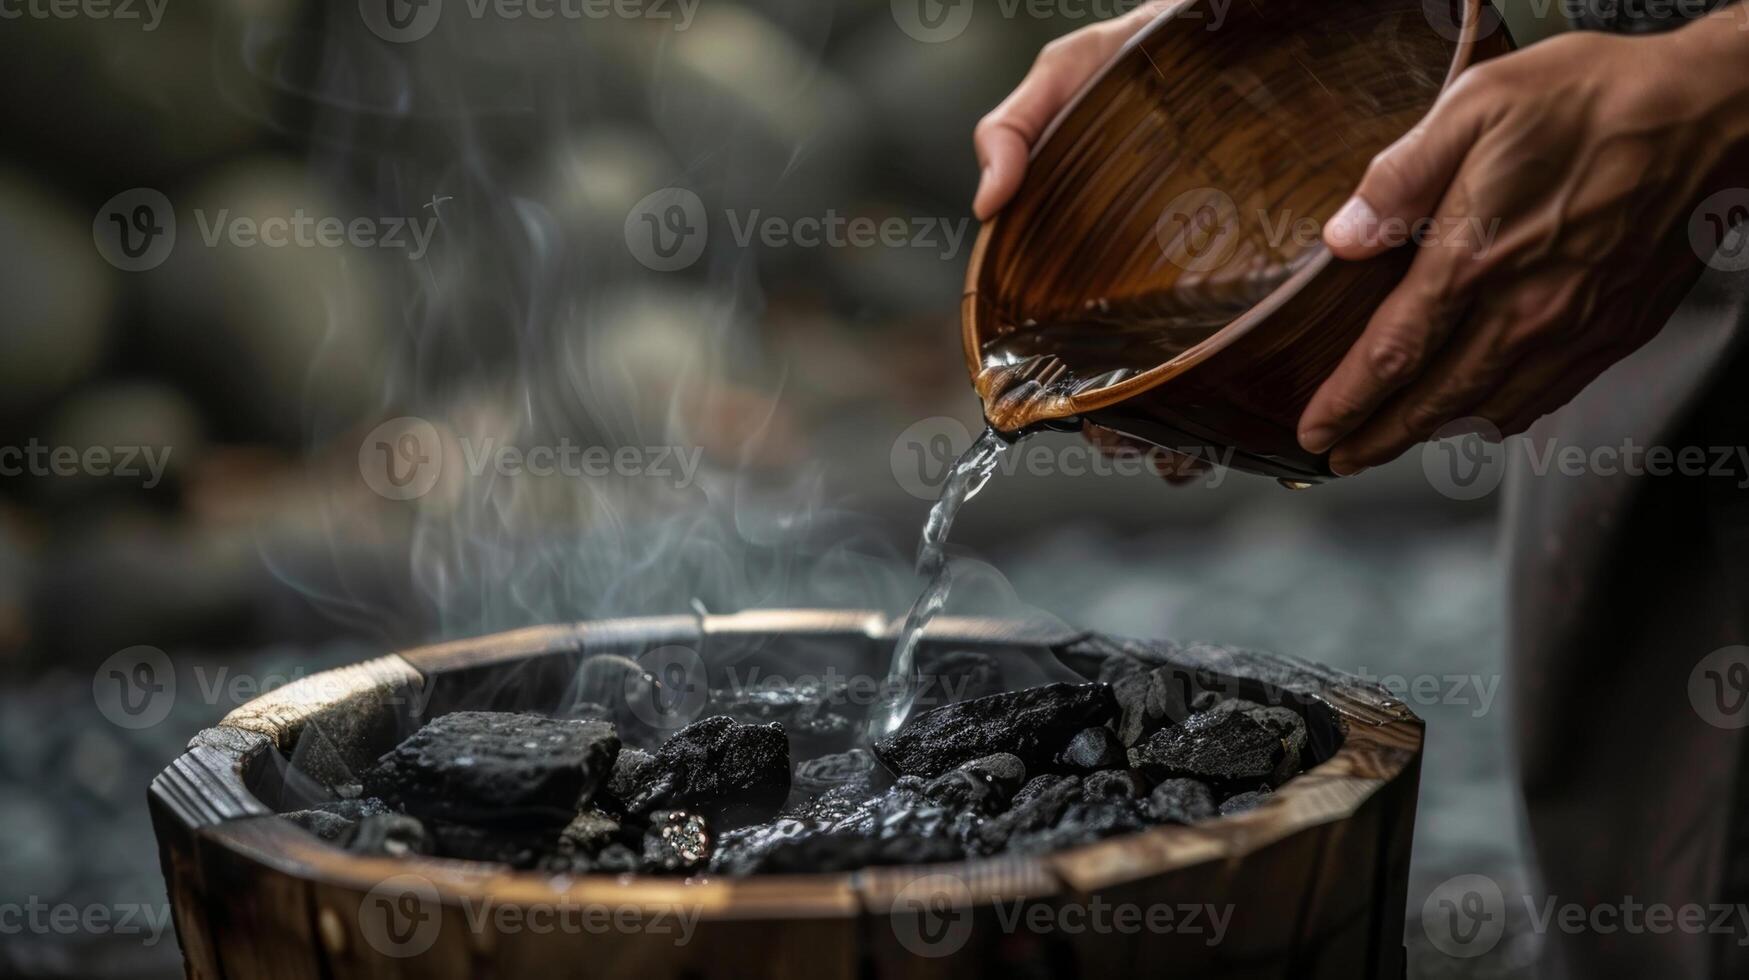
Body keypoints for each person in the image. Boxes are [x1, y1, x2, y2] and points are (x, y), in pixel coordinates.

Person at [973, 3, 1749, 977]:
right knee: (1632, 841)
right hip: (1616, 216)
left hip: (1680, 139)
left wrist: (1713, 88)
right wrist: (1219, 37)